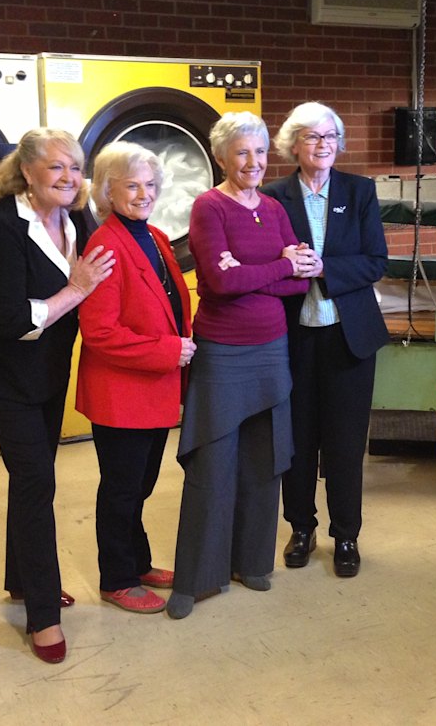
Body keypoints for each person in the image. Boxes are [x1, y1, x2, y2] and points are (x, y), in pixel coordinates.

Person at [0, 128, 115, 664]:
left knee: (30, 475)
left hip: (48, 369)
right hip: (2, 371)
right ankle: (43, 616)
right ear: (26, 172)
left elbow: (105, 273)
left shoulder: (77, 219)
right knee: (36, 479)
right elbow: (7, 320)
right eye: (57, 168)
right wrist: (75, 290)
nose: (70, 179)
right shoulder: (1, 229)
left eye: (76, 168)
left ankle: (21, 580)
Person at [166, 112, 311, 620]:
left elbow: (301, 280)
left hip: (272, 347)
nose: (253, 162)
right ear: (222, 157)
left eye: (260, 152)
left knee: (264, 460)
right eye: (242, 153)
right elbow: (220, 284)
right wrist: (281, 267)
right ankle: (197, 579)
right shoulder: (209, 207)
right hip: (224, 351)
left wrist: (258, 272)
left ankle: (252, 562)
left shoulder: (272, 209)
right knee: (212, 463)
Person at [261, 101, 389, 577]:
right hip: (292, 339)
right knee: (296, 439)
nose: (323, 145)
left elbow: (377, 260)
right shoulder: (273, 197)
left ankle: (347, 535)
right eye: (313, 137)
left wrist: (325, 268)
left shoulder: (359, 191)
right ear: (293, 145)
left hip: (349, 339)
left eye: (330, 137)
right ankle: (300, 527)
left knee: (345, 441)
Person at [76, 140, 194, 615]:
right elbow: (100, 333)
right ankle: (117, 578)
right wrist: (169, 350)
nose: (144, 193)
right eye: (131, 185)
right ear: (107, 191)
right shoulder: (105, 243)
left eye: (150, 184)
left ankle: (139, 562)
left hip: (152, 389)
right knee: (122, 488)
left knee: (140, 485)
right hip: (121, 393)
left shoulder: (154, 235)